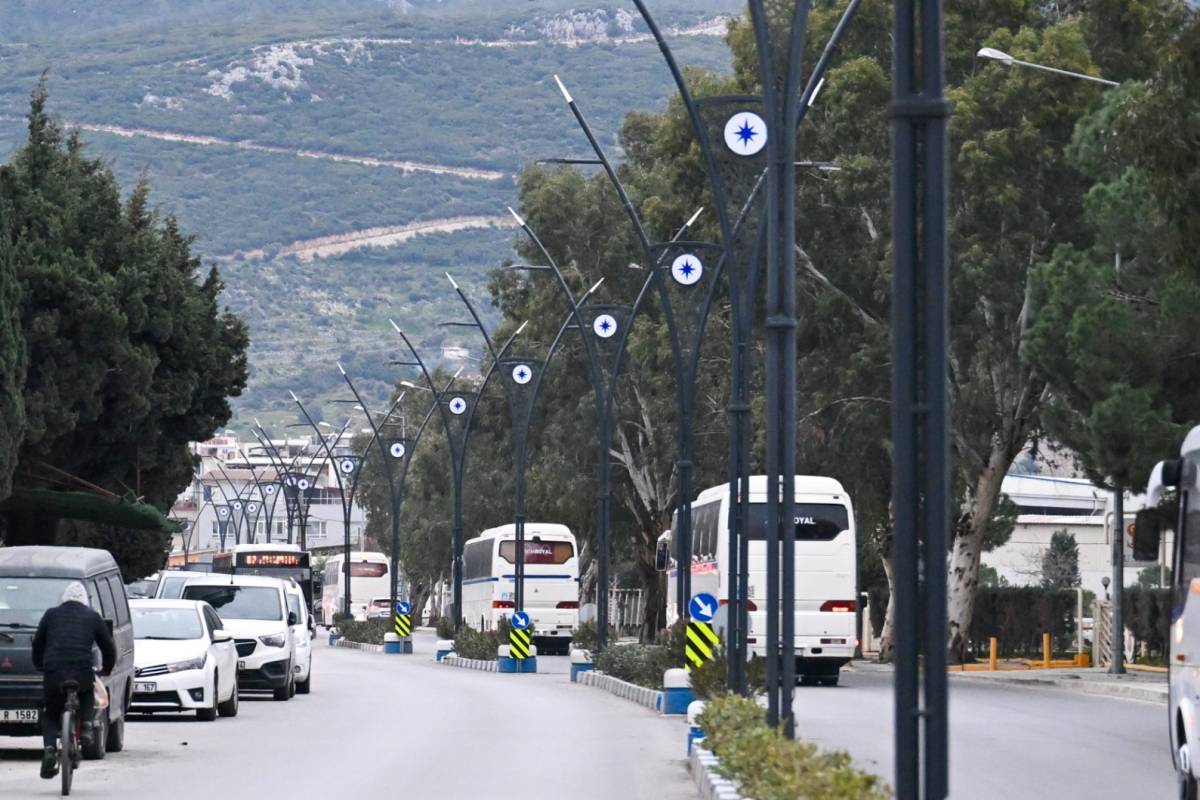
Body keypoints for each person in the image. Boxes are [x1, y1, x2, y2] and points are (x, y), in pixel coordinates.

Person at [31, 582, 116, 780]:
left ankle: (50, 749)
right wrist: (107, 669)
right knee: (87, 692)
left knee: (50, 712)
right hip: (81, 670)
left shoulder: (51, 614)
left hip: (54, 671)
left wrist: (38, 664)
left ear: (64, 598)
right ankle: (86, 726)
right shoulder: (93, 617)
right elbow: (108, 647)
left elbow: (38, 642)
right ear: (84, 601)